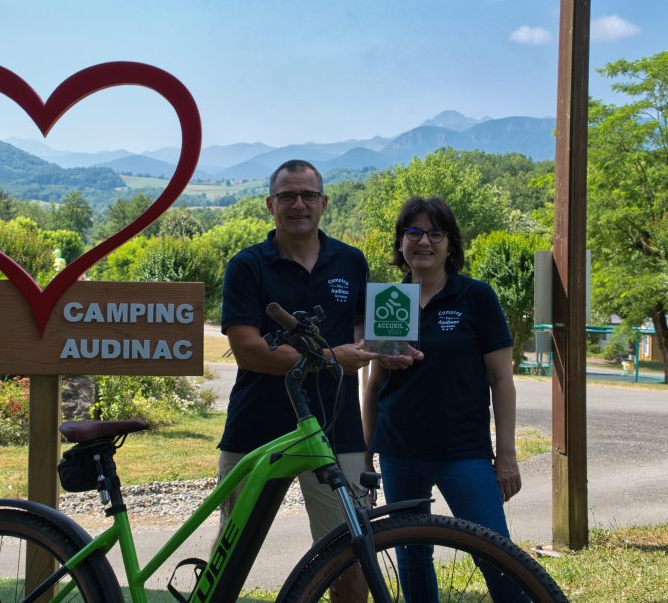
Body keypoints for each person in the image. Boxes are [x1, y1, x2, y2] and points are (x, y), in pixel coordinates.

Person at [219, 159, 377, 601]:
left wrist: (381, 347)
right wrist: (332, 358)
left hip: (336, 427)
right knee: (230, 557)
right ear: (270, 205)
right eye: (287, 195)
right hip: (256, 427)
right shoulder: (247, 266)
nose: (298, 204)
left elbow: (364, 325)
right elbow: (249, 350)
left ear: (324, 203)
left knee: (349, 556)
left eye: (308, 195)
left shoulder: (351, 261)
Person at [361, 196, 525, 602]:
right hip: (399, 452)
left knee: (498, 557)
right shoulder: (389, 300)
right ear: (401, 242)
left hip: (463, 452)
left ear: (451, 244)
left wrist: (506, 455)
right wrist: (366, 454)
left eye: (436, 233)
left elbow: (502, 380)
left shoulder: (476, 297)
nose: (424, 241)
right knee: (412, 557)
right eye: (413, 232)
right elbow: (374, 384)